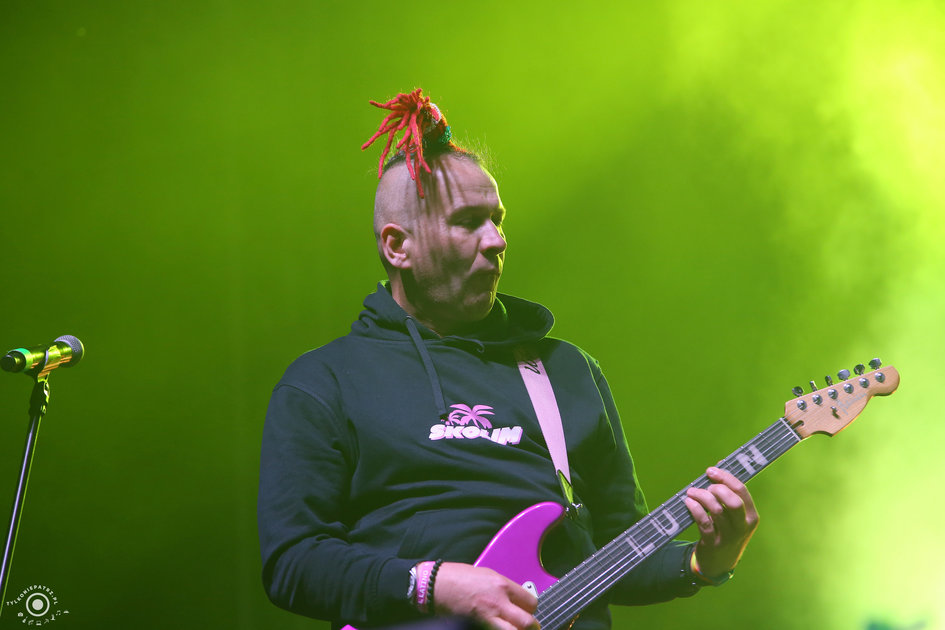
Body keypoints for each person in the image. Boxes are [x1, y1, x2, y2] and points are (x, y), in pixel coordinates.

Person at [257, 90, 758, 630]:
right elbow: (294, 563)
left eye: (497, 219)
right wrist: (433, 584)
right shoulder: (324, 382)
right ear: (398, 246)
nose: (496, 240)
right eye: (468, 221)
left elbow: (617, 553)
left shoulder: (566, 372)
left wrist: (706, 562)